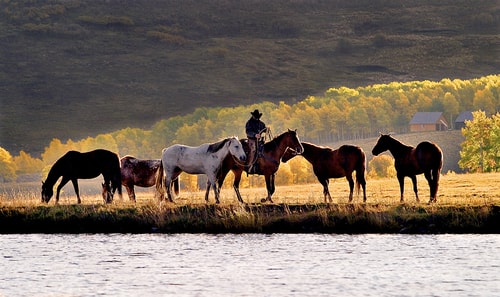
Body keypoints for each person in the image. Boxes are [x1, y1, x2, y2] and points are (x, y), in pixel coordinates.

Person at [245, 109, 267, 173]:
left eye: (258, 117)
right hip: (251, 140)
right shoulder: (249, 123)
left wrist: (266, 130)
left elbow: (264, 129)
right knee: (253, 150)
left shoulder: (261, 123)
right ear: (253, 116)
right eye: (256, 117)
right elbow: (248, 132)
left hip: (259, 141)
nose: (257, 118)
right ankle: (250, 165)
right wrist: (255, 135)